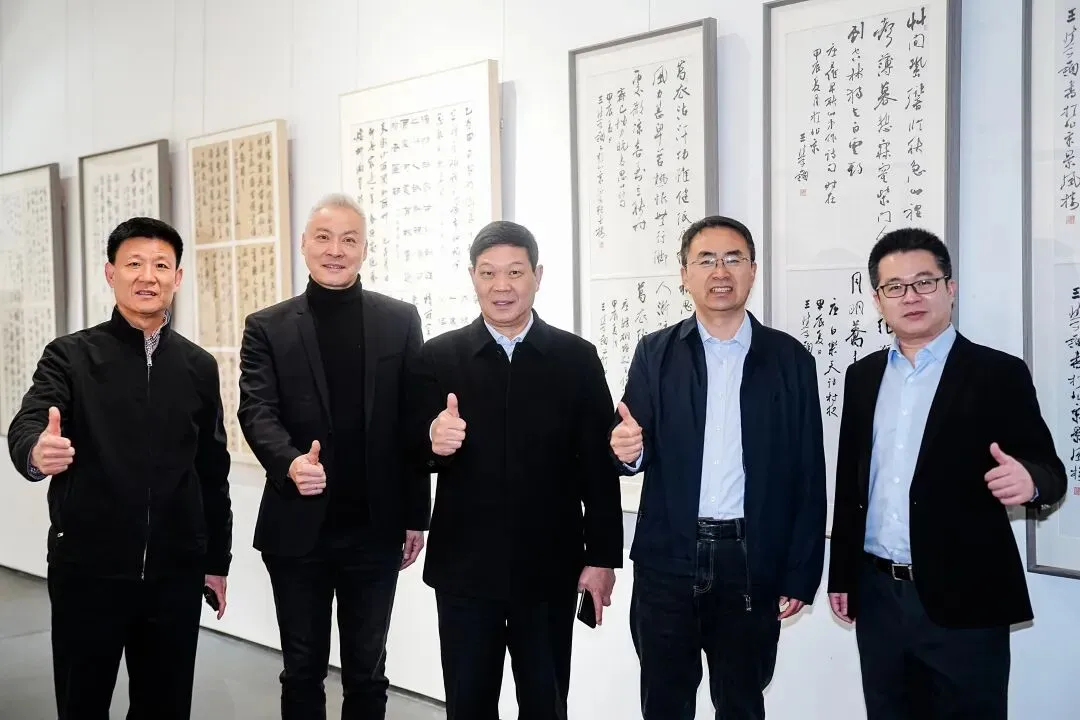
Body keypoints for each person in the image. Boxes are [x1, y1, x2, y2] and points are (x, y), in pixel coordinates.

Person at [827, 227, 1066, 719]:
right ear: (878, 299)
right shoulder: (863, 376)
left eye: (924, 282)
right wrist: (842, 574)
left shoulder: (997, 373)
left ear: (949, 288)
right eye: (895, 287)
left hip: (966, 599)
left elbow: (1050, 471)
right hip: (879, 597)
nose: (911, 297)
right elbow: (852, 484)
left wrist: (1031, 482)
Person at [6, 216, 233, 720]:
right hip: (89, 570)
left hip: (174, 574)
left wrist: (216, 560)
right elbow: (30, 421)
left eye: (161, 266)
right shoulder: (70, 356)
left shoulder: (198, 366)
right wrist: (36, 451)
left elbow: (211, 471)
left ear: (177, 277)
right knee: (82, 704)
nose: (147, 276)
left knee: (165, 707)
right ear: (111, 273)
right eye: (134, 264)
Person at [609, 215, 826, 719]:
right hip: (668, 558)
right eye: (705, 260)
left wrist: (800, 572)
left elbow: (808, 473)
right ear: (684, 274)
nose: (720, 272)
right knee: (664, 701)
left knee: (743, 702)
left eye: (733, 259)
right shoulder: (656, 352)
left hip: (750, 559)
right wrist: (626, 449)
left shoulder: (790, 359)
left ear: (753, 271)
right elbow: (631, 441)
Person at [416, 220, 623, 720]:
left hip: (549, 568)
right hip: (465, 570)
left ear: (537, 276)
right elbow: (408, 451)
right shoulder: (439, 357)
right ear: (472, 277)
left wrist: (602, 558)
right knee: (468, 704)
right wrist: (432, 443)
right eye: (488, 272)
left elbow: (598, 468)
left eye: (515, 272)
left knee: (546, 704)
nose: (501, 286)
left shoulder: (575, 359)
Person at [237, 193, 430, 720]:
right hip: (297, 528)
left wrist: (416, 514)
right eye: (323, 238)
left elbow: (413, 421)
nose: (335, 250)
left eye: (349, 239)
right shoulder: (267, 326)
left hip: (375, 528)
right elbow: (256, 410)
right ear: (304, 244)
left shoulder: (399, 320)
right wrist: (289, 462)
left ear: (365, 248)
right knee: (302, 669)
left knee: (368, 671)